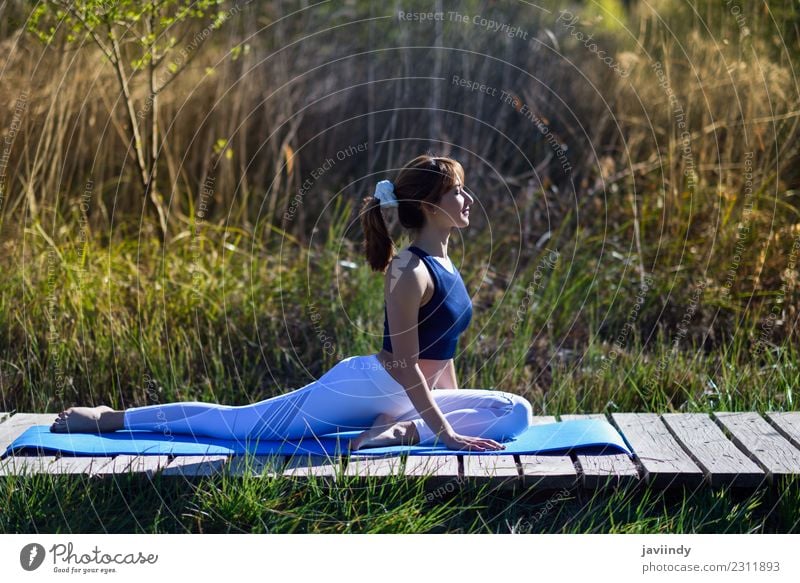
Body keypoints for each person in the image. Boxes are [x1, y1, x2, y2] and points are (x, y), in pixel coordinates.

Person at [50, 154, 533, 451]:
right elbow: (407, 365)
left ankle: (400, 432)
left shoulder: (447, 265)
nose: (468, 198)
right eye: (456, 191)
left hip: (407, 403)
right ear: (429, 207)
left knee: (516, 412)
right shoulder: (409, 270)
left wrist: (440, 414)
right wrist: (445, 431)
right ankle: (109, 418)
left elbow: (441, 358)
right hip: (367, 387)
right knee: (236, 426)